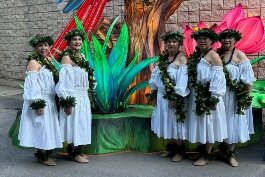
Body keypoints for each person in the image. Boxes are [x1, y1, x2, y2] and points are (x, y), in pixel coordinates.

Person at [18, 34, 63, 166]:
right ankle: (42, 156)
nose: (43, 48)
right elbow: (32, 85)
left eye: (45, 45)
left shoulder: (48, 60)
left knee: (47, 127)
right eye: (40, 45)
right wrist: (37, 103)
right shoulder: (34, 63)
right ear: (35, 47)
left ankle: (45, 154)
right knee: (42, 127)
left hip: (49, 100)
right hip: (41, 99)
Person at [187, 28, 227, 166]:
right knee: (200, 124)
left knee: (209, 124)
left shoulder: (213, 56)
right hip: (197, 96)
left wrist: (213, 98)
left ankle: (207, 155)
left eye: (205, 38)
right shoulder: (198, 55)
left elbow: (218, 79)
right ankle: (201, 152)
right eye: (199, 39)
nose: (202, 41)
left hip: (209, 97)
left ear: (212, 41)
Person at [149, 31, 190, 162]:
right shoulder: (163, 58)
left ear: (179, 44)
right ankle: (171, 148)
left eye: (174, 41)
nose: (171, 44)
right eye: (169, 42)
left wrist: (176, 98)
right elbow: (155, 77)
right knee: (167, 121)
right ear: (165, 44)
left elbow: (183, 81)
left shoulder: (182, 59)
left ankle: (180, 150)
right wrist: (154, 94)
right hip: (162, 96)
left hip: (174, 97)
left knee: (176, 123)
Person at [217, 29, 256, 167]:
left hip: (235, 96)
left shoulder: (240, 56)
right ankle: (221, 149)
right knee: (221, 122)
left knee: (233, 123)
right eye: (224, 38)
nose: (226, 40)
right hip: (219, 95)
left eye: (230, 38)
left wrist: (245, 97)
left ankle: (230, 153)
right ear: (220, 40)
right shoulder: (217, 54)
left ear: (235, 40)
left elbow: (249, 80)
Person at [55, 29, 93, 163]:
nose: (77, 42)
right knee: (74, 124)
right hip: (73, 96)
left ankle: (78, 151)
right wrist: (67, 101)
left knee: (82, 124)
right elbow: (64, 82)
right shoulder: (67, 57)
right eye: (74, 40)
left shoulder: (82, 56)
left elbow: (87, 77)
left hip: (83, 96)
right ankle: (73, 153)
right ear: (69, 42)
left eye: (79, 39)